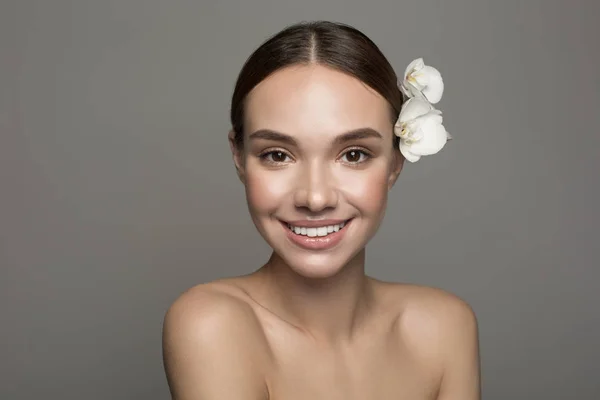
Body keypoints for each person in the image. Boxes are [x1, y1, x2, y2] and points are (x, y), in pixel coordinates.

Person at [162, 20, 481, 400]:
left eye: (354, 154)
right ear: (239, 156)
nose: (315, 198)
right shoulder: (211, 324)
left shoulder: (444, 328)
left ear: (395, 162)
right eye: (277, 155)